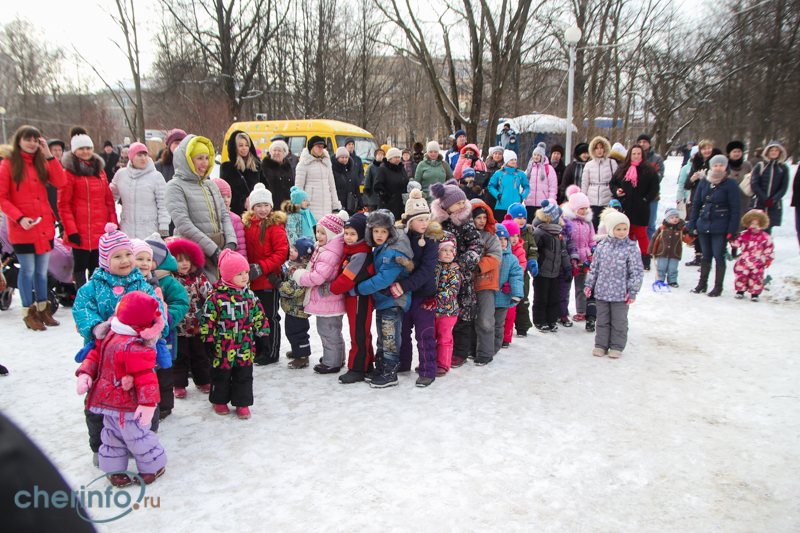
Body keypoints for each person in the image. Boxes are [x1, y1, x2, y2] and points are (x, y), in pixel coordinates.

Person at [72, 223, 166, 466]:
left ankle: (144, 439)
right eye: (117, 256)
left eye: (128, 255)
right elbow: (81, 309)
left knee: (144, 396)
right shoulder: (91, 288)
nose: (125, 260)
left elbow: (157, 312)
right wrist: (96, 327)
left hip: (137, 356)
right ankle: (100, 445)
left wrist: (151, 333)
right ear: (105, 260)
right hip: (104, 356)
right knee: (99, 403)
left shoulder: (142, 285)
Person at [75, 290, 167, 487]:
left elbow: (146, 377)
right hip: (107, 401)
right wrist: (85, 373)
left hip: (130, 405)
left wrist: (148, 403)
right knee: (111, 436)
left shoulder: (137, 346)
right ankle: (115, 470)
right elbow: (95, 357)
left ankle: (152, 465)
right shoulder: (109, 335)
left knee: (137, 437)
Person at [0, 125, 67, 330]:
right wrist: (19, 218)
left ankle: (43, 309)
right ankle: (28, 311)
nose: (31, 143)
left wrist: (49, 156)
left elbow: (60, 181)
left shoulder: (41, 162)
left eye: (36, 140)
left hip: (43, 225)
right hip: (22, 227)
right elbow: (2, 198)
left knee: (41, 271)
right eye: (27, 139)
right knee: (27, 270)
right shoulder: (8, 165)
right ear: (18, 141)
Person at [201, 249, 268, 419]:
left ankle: (242, 402)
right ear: (228, 275)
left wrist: (263, 335)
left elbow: (259, 316)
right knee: (221, 375)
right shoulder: (216, 298)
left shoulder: (250, 296)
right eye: (240, 273)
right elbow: (207, 321)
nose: (245, 277)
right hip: (222, 345)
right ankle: (219, 400)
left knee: (244, 375)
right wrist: (208, 340)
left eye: (246, 272)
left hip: (245, 344)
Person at [164, 135, 237, 282]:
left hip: (219, 252)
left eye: (206, 158)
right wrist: (213, 251)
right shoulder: (175, 186)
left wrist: (230, 243)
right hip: (194, 256)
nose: (205, 163)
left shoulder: (210, 185)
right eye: (199, 158)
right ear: (187, 160)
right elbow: (184, 224)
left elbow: (224, 214)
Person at [355, 209, 414, 388]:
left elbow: (384, 279)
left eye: (383, 231)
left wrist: (359, 289)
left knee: (390, 336)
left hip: (394, 302)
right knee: (383, 335)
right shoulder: (383, 248)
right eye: (375, 231)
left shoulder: (394, 252)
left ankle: (390, 371)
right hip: (384, 300)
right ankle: (381, 365)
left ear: (391, 232)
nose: (379, 235)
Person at [429, 180, 484, 368]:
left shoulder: (466, 224)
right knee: (442, 315)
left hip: (462, 275)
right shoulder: (436, 223)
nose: (463, 205)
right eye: (458, 203)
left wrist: (460, 263)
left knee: (464, 313)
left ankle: (460, 351)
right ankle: (441, 350)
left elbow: (477, 246)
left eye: (463, 202)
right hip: (439, 275)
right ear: (446, 204)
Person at [59, 127, 118, 289]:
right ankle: (81, 296)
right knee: (80, 266)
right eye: (81, 149)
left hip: (100, 229)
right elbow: (64, 205)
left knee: (97, 266)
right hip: (80, 229)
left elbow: (108, 200)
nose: (85, 152)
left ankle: (96, 294)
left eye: (88, 148)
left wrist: (113, 225)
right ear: (74, 151)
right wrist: (71, 230)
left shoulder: (99, 171)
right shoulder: (69, 173)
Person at [137, 235, 188, 424]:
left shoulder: (169, 282)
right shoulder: (137, 280)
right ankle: (148, 405)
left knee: (165, 373)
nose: (145, 264)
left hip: (165, 336)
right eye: (140, 259)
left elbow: (181, 303)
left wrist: (167, 318)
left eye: (149, 260)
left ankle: (165, 406)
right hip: (142, 338)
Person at [322, 213, 376, 384]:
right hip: (354, 298)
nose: (349, 237)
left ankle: (357, 368)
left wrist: (329, 288)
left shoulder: (360, 254)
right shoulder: (353, 251)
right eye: (346, 233)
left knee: (358, 332)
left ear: (362, 235)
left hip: (360, 298)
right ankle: (367, 363)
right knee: (361, 331)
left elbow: (347, 279)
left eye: (353, 234)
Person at [293, 211, 350, 374]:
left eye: (323, 232)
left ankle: (332, 362)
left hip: (328, 302)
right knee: (332, 332)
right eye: (317, 231)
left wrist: (300, 275)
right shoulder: (326, 248)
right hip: (328, 301)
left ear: (332, 234)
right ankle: (336, 358)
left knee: (328, 333)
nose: (318, 235)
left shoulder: (329, 253)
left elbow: (317, 277)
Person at [393, 191, 440, 386]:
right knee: (402, 332)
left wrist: (403, 286)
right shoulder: (402, 238)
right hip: (406, 298)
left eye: (426, 219)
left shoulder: (431, 241)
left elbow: (426, 271)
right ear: (409, 221)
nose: (423, 223)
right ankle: (403, 364)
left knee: (424, 334)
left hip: (423, 297)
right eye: (419, 219)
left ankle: (428, 370)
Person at [584, 211, 643, 359]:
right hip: (602, 292)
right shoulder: (602, 247)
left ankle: (617, 346)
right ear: (611, 229)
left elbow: (636, 272)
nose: (622, 232)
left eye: (625, 229)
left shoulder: (631, 249)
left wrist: (633, 290)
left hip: (620, 294)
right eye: (618, 229)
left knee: (619, 321)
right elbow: (594, 268)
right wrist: (589, 284)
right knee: (602, 320)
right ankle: (601, 345)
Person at [243, 184, 288, 366]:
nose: (263, 209)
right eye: (259, 205)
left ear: (271, 206)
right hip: (251, 281)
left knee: (269, 317)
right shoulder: (247, 225)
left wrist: (262, 267)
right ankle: (258, 349)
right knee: (254, 317)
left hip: (269, 280)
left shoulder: (275, 226)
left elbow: (281, 253)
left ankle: (271, 351)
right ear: (252, 207)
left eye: (266, 205)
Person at [164, 236, 212, 400]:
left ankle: (203, 380)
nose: (184, 264)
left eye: (187, 260)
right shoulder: (171, 281)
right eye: (179, 260)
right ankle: (179, 384)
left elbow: (209, 295)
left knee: (200, 355)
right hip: (178, 327)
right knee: (180, 357)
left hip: (198, 325)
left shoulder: (199, 277)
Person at [687, 154, 741, 297]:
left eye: (721, 165)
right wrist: (692, 224)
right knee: (706, 254)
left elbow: (736, 208)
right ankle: (702, 284)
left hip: (721, 225)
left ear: (726, 166)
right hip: (704, 223)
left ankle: (718, 287)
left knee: (718, 254)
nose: (718, 168)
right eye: (715, 165)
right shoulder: (704, 182)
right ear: (711, 166)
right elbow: (696, 203)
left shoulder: (731, 184)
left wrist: (732, 230)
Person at [609, 144, 660, 271]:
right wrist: (617, 191)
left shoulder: (649, 170)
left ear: (642, 154)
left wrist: (645, 200)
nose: (636, 156)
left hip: (641, 208)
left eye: (638, 153)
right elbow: (613, 182)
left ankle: (645, 259)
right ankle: (627, 258)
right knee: (627, 234)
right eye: (634, 153)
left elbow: (654, 189)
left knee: (642, 235)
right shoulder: (623, 169)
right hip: (626, 206)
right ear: (629, 155)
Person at [110, 142, 170, 240]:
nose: (143, 158)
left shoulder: (156, 176)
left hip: (149, 231)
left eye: (145, 154)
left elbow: (163, 205)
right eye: (139, 155)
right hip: (127, 229)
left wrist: (163, 230)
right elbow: (109, 196)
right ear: (131, 157)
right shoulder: (121, 175)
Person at [470, 199, 502, 365]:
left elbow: (496, 256)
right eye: (478, 217)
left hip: (485, 282)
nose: (481, 221)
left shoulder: (491, 236)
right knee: (469, 318)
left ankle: (485, 353)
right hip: (467, 283)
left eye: (484, 217)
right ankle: (470, 349)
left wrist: (478, 266)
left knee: (485, 319)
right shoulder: (466, 234)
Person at [561, 188, 597, 329]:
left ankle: (581, 311)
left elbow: (592, 239)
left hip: (585, 260)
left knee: (582, 287)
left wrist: (593, 250)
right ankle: (563, 311)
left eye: (586, 208)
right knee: (566, 286)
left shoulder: (588, 223)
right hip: (570, 259)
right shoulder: (568, 221)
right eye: (581, 208)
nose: (584, 211)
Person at [532, 200, 570, 332]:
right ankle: (540, 320)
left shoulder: (558, 234)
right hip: (542, 272)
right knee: (541, 298)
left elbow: (563, 252)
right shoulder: (539, 233)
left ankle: (552, 319)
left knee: (553, 297)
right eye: (559, 216)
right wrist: (535, 264)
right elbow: (533, 251)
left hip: (555, 272)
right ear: (552, 217)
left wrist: (567, 267)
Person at [278, 237, 315, 369]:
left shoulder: (301, 271)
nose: (290, 251)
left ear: (303, 255)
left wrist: (278, 284)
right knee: (291, 331)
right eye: (291, 248)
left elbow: (293, 290)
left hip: (298, 310)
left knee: (298, 332)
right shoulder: (294, 266)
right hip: (292, 309)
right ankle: (297, 350)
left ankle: (303, 357)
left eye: (294, 250)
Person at [684, 140, 722, 266]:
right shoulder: (696, 162)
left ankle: (708, 258)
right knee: (697, 228)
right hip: (697, 197)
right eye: (703, 149)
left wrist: (707, 177)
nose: (706, 151)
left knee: (710, 229)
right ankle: (698, 255)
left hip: (713, 199)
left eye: (708, 148)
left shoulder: (717, 163)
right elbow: (687, 185)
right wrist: (693, 179)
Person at [507, 202, 539, 337]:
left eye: (524, 218)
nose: (522, 221)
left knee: (522, 299)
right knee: (507, 301)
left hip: (523, 274)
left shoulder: (528, 234)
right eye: (518, 218)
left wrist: (532, 261)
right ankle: (505, 327)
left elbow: (533, 250)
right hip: (507, 273)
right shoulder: (506, 233)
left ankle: (522, 326)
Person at [492, 223, 523, 356]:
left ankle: (495, 347)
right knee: (486, 324)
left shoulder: (512, 259)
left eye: (505, 239)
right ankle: (485, 345)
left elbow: (516, 276)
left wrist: (516, 292)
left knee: (499, 325)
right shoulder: (490, 257)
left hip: (503, 299)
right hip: (488, 298)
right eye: (499, 239)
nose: (503, 242)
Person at [731, 210, 774, 302]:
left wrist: (768, 258)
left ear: (762, 224)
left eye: (757, 223)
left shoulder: (765, 237)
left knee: (756, 277)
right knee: (741, 275)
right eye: (752, 223)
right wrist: (732, 239)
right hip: (744, 259)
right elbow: (736, 244)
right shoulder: (743, 234)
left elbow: (769, 248)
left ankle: (755, 293)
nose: (754, 225)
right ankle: (740, 291)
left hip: (758, 260)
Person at [433, 231, 460, 376]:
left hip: (448, 311)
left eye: (451, 250)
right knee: (430, 337)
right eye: (444, 250)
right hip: (432, 311)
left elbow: (452, 290)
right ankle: (430, 362)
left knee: (444, 338)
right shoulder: (432, 267)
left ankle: (443, 364)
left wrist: (437, 299)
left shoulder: (453, 271)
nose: (448, 254)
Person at [296, 136, 341, 222]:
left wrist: (335, 205)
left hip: (327, 207)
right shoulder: (303, 164)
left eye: (322, 147)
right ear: (312, 147)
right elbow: (299, 188)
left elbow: (332, 187)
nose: (321, 149)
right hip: (310, 207)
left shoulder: (326, 163)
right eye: (318, 146)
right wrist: (300, 206)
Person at [220, 131, 265, 217]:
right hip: (236, 213)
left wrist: (255, 199)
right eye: (241, 145)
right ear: (235, 147)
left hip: (256, 212)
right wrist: (243, 200)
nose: (244, 148)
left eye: (246, 145)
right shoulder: (227, 167)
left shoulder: (256, 166)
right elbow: (226, 191)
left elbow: (264, 185)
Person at [749, 141, 790, 234]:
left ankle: (766, 248)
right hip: (759, 203)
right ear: (767, 152)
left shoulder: (783, 168)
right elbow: (754, 184)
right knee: (755, 229)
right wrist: (764, 199)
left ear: (780, 152)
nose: (774, 152)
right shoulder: (760, 165)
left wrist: (774, 199)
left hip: (773, 205)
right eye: (772, 150)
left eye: (776, 150)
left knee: (767, 230)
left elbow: (784, 187)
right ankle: (754, 248)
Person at [581, 136, 618, 229]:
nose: (599, 150)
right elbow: (585, 183)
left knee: (606, 227)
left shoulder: (612, 163)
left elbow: (617, 181)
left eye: (601, 147)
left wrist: (615, 196)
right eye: (597, 148)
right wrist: (583, 200)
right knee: (593, 226)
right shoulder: (589, 165)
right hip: (592, 200)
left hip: (607, 199)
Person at [500, 215, 526, 347]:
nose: (515, 239)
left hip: (512, 287)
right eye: (511, 236)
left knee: (510, 314)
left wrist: (511, 281)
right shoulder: (500, 250)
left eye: (517, 235)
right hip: (499, 288)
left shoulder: (520, 251)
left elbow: (520, 268)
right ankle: (498, 336)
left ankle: (506, 337)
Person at [647, 208, 686, 288]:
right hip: (662, 252)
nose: (675, 219)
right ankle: (660, 280)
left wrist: (693, 234)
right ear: (668, 219)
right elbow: (655, 238)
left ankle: (672, 281)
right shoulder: (662, 228)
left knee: (673, 268)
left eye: (676, 217)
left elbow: (687, 238)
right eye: (672, 218)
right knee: (661, 267)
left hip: (675, 253)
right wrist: (652, 250)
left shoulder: (681, 229)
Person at [487, 150, 530, 222]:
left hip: (515, 206)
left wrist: (522, 196)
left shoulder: (520, 173)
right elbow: (491, 186)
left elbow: (526, 186)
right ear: (506, 161)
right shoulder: (499, 173)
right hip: (501, 207)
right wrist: (498, 195)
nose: (514, 161)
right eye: (511, 160)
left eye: (515, 160)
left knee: (514, 229)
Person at [637, 134, 665, 240]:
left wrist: (645, 177)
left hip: (652, 198)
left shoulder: (657, 158)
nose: (642, 144)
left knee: (650, 225)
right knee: (635, 225)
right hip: (637, 197)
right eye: (640, 142)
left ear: (649, 143)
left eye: (644, 142)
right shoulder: (634, 157)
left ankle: (649, 250)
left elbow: (658, 177)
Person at [211, 178, 247, 258]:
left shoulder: (235, 219)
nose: (226, 200)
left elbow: (241, 247)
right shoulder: (208, 217)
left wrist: (242, 264)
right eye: (222, 196)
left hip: (231, 261)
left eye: (228, 196)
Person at [524, 142, 558, 222]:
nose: (536, 157)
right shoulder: (529, 169)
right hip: (529, 203)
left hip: (543, 203)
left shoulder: (549, 169)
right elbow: (523, 185)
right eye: (534, 155)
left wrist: (551, 200)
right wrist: (524, 197)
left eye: (538, 155)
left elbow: (553, 187)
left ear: (542, 156)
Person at [725, 141, 753, 231]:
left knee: (741, 225)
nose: (737, 154)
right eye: (734, 151)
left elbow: (752, 179)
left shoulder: (747, 165)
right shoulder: (724, 164)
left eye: (739, 151)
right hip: (727, 199)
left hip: (743, 200)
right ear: (729, 153)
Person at [374, 147, 408, 221]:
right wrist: (387, 197)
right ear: (389, 158)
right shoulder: (383, 169)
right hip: (388, 204)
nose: (398, 159)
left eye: (399, 157)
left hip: (401, 203)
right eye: (395, 157)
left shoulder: (401, 168)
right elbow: (377, 185)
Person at [262, 139, 294, 209]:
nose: (276, 153)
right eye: (274, 150)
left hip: (286, 206)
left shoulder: (288, 167)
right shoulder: (264, 166)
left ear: (284, 153)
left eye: (279, 150)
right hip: (270, 206)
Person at [332, 147, 363, 213]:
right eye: (342, 157)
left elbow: (356, 187)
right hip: (339, 204)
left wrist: (360, 204)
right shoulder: (333, 171)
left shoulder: (351, 170)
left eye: (346, 157)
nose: (344, 159)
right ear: (337, 158)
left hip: (351, 204)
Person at [46, 139, 65, 221]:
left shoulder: (67, 166)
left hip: (63, 207)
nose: (58, 153)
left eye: (60, 150)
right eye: (55, 150)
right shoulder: (43, 167)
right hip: (50, 209)